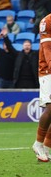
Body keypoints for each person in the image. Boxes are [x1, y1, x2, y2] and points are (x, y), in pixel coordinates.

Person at [32, 13, 51, 162]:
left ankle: (46, 146)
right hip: (48, 71)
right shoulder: (47, 21)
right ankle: (38, 144)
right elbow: (47, 48)